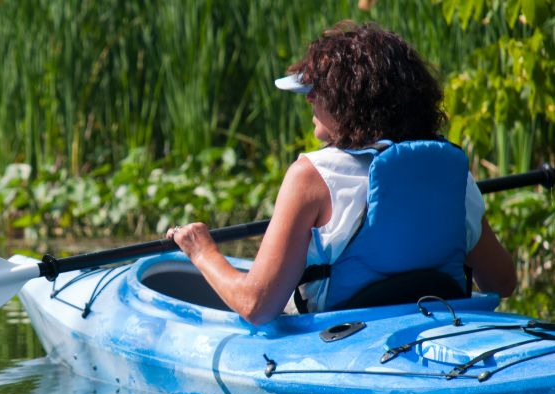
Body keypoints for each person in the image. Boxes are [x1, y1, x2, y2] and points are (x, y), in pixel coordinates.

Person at [164, 21, 516, 324]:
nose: (308, 99)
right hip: (437, 330)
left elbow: (256, 305)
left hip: (340, 346)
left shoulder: (311, 177)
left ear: (352, 100)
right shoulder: (450, 173)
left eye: (317, 90)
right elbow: (502, 282)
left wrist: (201, 251)